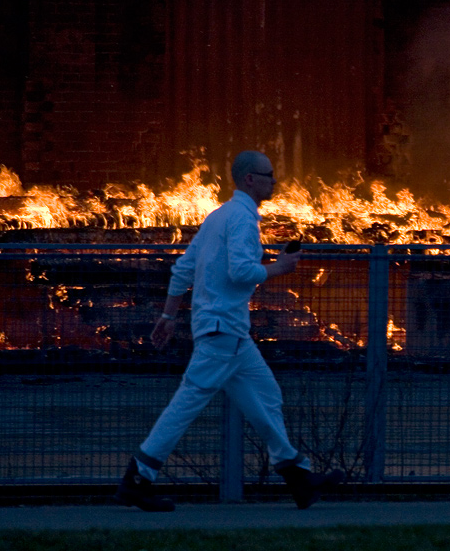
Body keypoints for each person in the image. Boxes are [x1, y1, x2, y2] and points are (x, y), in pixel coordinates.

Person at [114, 150, 343, 512]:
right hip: (224, 331)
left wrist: (169, 316)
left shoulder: (217, 217)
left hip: (227, 332)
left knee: (266, 395)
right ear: (249, 179)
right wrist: (279, 267)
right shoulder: (241, 219)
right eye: (268, 174)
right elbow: (242, 272)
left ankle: (298, 477)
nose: (274, 180)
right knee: (187, 402)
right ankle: (138, 478)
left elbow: (183, 269)